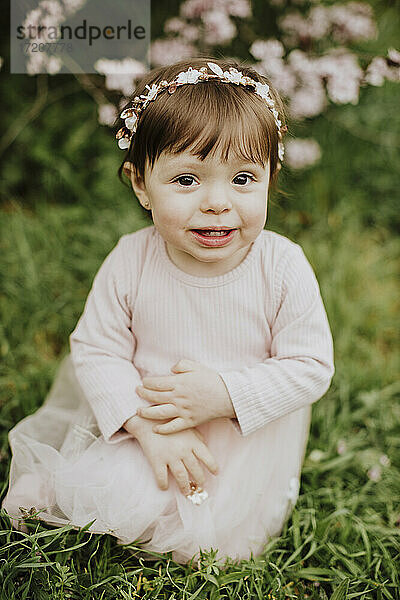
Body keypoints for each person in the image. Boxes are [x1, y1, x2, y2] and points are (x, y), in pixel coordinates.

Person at [1, 56, 334, 565]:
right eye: (186, 180)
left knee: (212, 544)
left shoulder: (281, 266)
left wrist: (223, 394)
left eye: (243, 179)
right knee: (111, 488)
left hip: (239, 436)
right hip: (146, 418)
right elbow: (96, 347)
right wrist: (144, 426)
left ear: (271, 176)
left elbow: (310, 367)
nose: (217, 202)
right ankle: (52, 485)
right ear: (141, 185)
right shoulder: (132, 259)